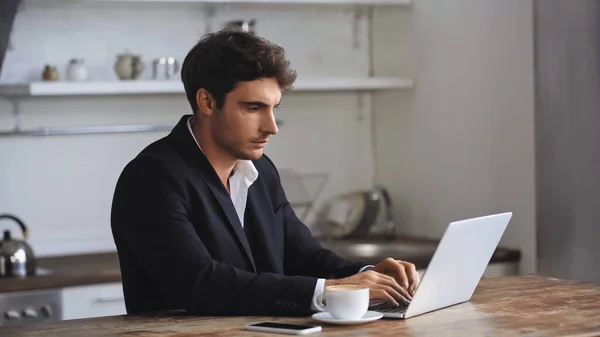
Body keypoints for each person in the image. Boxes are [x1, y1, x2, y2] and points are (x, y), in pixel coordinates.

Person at [110, 29, 420, 317]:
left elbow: (305, 256)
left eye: (274, 108)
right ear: (206, 101)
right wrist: (331, 289)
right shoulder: (151, 178)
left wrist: (367, 274)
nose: (271, 127)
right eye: (253, 108)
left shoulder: (261, 170)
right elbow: (199, 283)